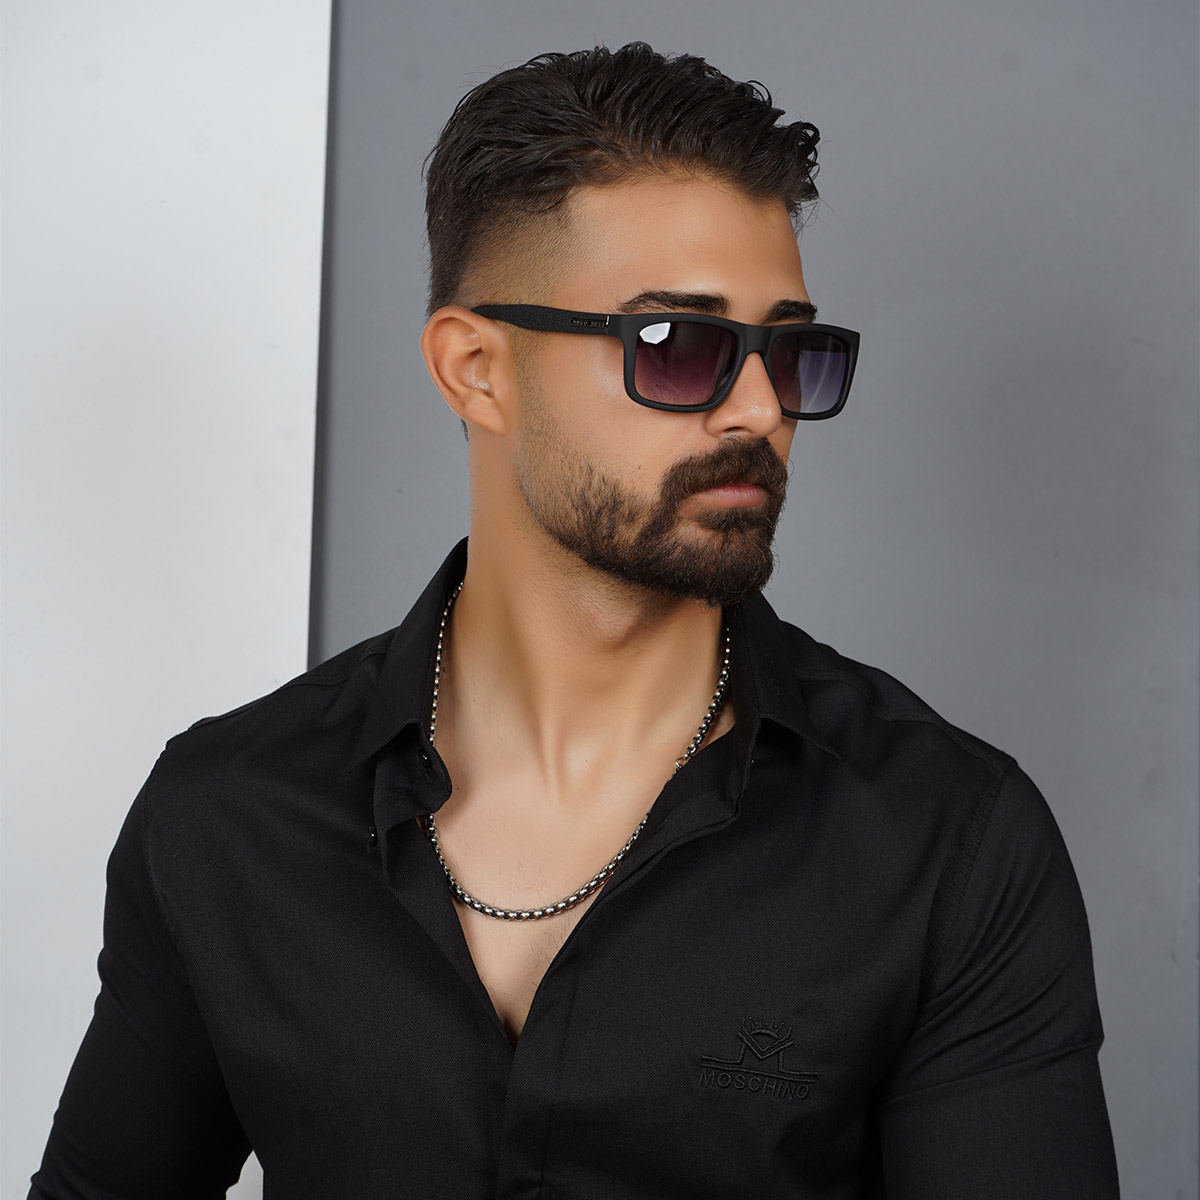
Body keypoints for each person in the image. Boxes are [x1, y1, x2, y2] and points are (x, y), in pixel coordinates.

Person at [30, 42, 1120, 1199]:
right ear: (477, 368)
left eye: (792, 351)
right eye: (680, 346)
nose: (760, 409)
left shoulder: (946, 840)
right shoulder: (226, 816)